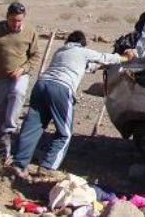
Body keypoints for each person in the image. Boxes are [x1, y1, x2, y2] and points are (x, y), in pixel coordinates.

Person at [9, 30, 135, 179]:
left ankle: (19, 164)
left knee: (32, 126)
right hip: (61, 88)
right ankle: (48, 166)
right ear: (82, 43)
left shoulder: (61, 51)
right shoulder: (81, 51)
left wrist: (101, 66)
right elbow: (103, 57)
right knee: (65, 133)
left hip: (42, 85)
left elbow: (86, 67)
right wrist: (124, 57)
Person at [0, 1, 40, 163]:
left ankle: (12, 127)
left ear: (24, 18)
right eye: (13, 20)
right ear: (7, 17)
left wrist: (23, 69)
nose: (16, 24)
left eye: (20, 20)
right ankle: (3, 154)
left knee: (18, 93)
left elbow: (35, 56)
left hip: (19, 76)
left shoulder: (30, 31)